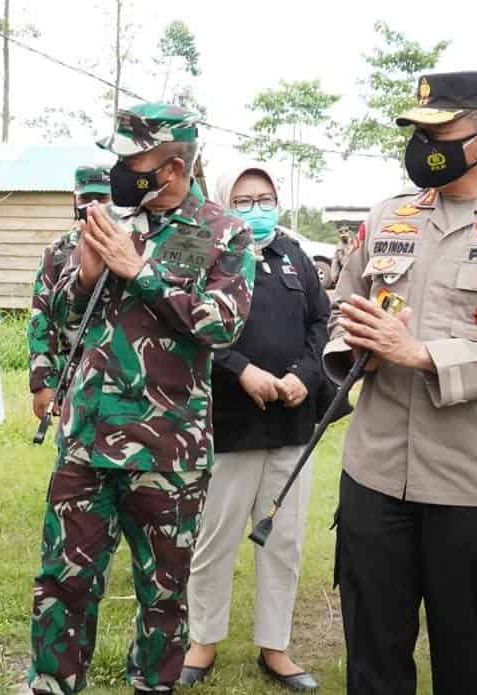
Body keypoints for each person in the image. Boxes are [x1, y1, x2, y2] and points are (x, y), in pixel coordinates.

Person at [327, 71, 477, 695]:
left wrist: (422, 355)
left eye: (437, 133)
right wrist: (356, 348)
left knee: (469, 655)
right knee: (372, 652)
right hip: (375, 475)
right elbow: (343, 305)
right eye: (416, 132)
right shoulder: (388, 217)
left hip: (472, 487)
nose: (420, 144)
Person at [28, 103, 256, 695]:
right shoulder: (109, 220)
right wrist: (82, 277)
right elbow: (59, 319)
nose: (123, 170)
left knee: (163, 594)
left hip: (167, 451)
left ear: (174, 167)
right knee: (62, 584)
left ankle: (152, 686)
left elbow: (221, 326)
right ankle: (53, 684)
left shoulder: (222, 233)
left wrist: (141, 270)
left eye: (135, 159)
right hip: (85, 443)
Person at [180, 162, 329, 692]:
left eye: (264, 198)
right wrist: (241, 369)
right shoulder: (202, 246)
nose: (256, 209)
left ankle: (276, 646)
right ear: (224, 202)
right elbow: (180, 317)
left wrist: (305, 376)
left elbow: (319, 322)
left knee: (283, 541)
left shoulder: (294, 254)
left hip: (292, 421)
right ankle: (203, 640)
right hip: (228, 423)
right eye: (242, 200)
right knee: (214, 539)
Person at [28, 165, 112, 421]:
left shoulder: (131, 245)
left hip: (120, 378)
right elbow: (41, 317)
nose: (94, 206)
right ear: (75, 200)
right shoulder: (58, 251)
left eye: (103, 199)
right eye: (86, 199)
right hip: (73, 375)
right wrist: (43, 382)